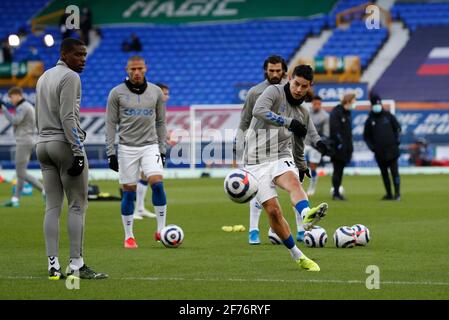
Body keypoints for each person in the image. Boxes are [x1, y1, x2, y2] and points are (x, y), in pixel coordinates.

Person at [243, 64, 329, 271]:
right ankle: (297, 255)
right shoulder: (274, 91)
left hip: (281, 154)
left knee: (294, 182)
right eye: (296, 83)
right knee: (273, 211)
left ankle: (307, 213)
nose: (299, 89)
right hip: (256, 158)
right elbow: (258, 110)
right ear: (289, 78)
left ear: (310, 86)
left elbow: (300, 141)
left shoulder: (303, 112)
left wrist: (301, 165)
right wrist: (287, 121)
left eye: (304, 86)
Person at [35, 38, 108, 280]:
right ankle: (76, 264)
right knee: (77, 205)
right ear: (64, 54)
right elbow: (68, 118)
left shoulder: (43, 76)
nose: (83, 59)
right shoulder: (71, 77)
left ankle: (52, 265)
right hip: (63, 145)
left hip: (42, 145)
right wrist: (77, 151)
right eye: (78, 54)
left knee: (52, 206)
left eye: (85, 55)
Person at [106, 56, 167, 249]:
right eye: (133, 69)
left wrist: (162, 149)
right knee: (129, 193)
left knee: (157, 184)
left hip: (150, 146)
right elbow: (110, 124)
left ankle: (161, 230)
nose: (137, 72)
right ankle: (129, 236)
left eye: (140, 68)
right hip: (126, 148)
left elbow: (160, 122)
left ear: (146, 68)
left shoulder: (155, 92)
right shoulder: (116, 93)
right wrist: (111, 152)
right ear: (127, 70)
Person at [234, 55, 289, 245]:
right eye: (271, 70)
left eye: (278, 70)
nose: (274, 74)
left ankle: (299, 231)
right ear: (265, 71)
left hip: (282, 147)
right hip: (257, 147)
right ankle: (253, 230)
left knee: (293, 184)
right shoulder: (255, 92)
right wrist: (238, 146)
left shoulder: (291, 91)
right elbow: (244, 120)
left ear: (284, 71)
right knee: (256, 187)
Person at [1, 87, 45, 207]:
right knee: (21, 172)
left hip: (24, 141)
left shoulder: (23, 106)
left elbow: (15, 120)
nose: (11, 100)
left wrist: (4, 110)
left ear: (17, 95)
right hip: (26, 140)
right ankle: (15, 199)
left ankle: (44, 190)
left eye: (11, 98)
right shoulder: (25, 106)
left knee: (20, 172)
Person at [134, 82, 170, 220]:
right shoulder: (150, 107)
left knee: (144, 176)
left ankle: (140, 208)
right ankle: (135, 210)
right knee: (142, 177)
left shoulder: (158, 107)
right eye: (165, 93)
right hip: (143, 145)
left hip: (151, 144)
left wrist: (165, 137)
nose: (168, 97)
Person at [364, 95, 401, 200]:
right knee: (384, 174)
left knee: (395, 173)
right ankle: (389, 194)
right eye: (375, 104)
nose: (377, 106)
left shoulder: (389, 116)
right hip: (379, 152)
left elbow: (398, 128)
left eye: (379, 104)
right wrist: (372, 148)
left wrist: (397, 141)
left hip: (392, 150)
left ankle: (397, 194)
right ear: (372, 106)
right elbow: (366, 136)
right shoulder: (370, 120)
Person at [329, 93, 355, 200]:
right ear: (348, 101)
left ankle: (337, 192)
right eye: (353, 101)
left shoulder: (347, 113)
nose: (354, 103)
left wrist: (349, 147)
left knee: (340, 170)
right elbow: (335, 131)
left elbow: (347, 133)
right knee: (337, 170)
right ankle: (336, 193)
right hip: (337, 148)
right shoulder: (336, 113)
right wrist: (340, 144)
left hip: (345, 148)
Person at [304, 95, 329, 196]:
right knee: (298, 165)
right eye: (315, 103)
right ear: (312, 103)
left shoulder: (325, 116)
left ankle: (312, 187)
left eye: (319, 104)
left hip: (316, 146)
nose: (317, 106)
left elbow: (326, 133)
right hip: (304, 143)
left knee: (313, 167)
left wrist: (320, 143)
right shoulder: (306, 112)